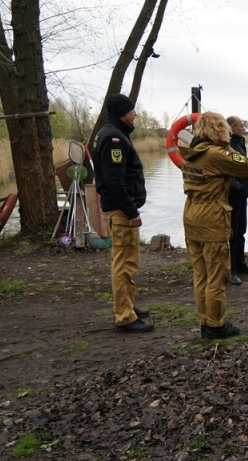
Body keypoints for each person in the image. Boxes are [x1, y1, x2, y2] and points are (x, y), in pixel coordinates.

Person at [180, 112, 248, 339]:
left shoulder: (190, 153)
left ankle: (205, 320)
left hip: (191, 214)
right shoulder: (217, 154)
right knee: (217, 274)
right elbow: (246, 166)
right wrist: (227, 145)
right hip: (211, 216)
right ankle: (215, 323)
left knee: (200, 273)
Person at [92, 93, 152, 333]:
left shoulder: (110, 133)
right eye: (131, 110)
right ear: (121, 112)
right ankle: (125, 316)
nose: (134, 113)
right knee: (125, 262)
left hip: (119, 208)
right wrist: (130, 211)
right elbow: (115, 181)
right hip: (121, 210)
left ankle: (128, 305)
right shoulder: (114, 138)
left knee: (127, 260)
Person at [226, 115, 248, 286]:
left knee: (241, 231)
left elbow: (243, 167)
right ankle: (231, 270)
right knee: (232, 233)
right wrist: (239, 188)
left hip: (242, 196)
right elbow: (227, 173)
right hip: (232, 197)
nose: (243, 128)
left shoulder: (239, 142)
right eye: (240, 125)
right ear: (232, 127)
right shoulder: (227, 145)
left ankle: (241, 264)